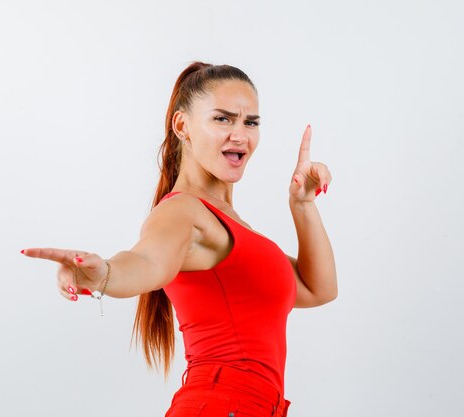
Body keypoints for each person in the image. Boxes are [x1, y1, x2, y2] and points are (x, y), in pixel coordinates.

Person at [21, 61, 337, 416]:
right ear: (182, 126)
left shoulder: (231, 223)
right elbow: (147, 261)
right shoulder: (182, 211)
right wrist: (105, 274)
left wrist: (302, 203)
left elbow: (318, 288)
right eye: (223, 119)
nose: (240, 134)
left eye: (250, 122)